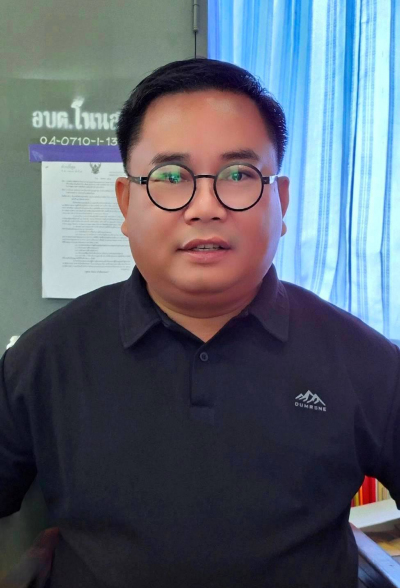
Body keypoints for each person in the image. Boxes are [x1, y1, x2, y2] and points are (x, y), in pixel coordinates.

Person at [0, 57, 399, 588]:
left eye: (239, 175)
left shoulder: (362, 360)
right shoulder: (46, 358)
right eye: (170, 177)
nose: (205, 207)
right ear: (126, 201)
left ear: (280, 200)